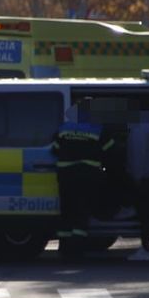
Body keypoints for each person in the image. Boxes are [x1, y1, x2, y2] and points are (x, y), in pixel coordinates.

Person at [51, 100, 114, 258]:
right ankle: (76, 251)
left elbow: (55, 149)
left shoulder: (64, 129)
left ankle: (64, 249)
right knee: (81, 212)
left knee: (66, 211)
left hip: (66, 176)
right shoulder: (98, 129)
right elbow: (111, 151)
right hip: (87, 176)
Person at [124, 109, 149, 261]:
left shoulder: (139, 129)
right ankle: (145, 248)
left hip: (145, 178)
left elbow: (138, 156)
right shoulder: (148, 126)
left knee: (145, 215)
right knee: (147, 214)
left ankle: (146, 249)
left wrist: (135, 178)